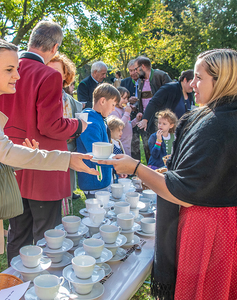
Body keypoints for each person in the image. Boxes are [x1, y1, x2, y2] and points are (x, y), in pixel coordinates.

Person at [0, 38, 97, 284]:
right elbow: (5, 153)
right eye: (10, 70)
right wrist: (66, 159)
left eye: (17, 69)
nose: (17, 76)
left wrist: (24, 156)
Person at [98, 48, 237, 300]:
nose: (192, 84)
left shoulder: (218, 123)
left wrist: (136, 168)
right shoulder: (213, 116)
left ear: (222, 79)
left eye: (199, 77)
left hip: (208, 228)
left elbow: (185, 191)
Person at [0, 21, 88, 266]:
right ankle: (44, 284)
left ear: (31, 40)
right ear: (55, 47)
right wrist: (78, 125)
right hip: (42, 165)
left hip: (11, 160)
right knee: (47, 235)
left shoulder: (5, 71)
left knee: (18, 231)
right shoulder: (48, 75)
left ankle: (14, 284)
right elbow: (51, 125)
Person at [48, 53, 83, 200]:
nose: (51, 74)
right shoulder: (42, 98)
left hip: (69, 149)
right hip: (49, 152)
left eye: (57, 71)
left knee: (66, 195)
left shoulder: (71, 102)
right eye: (48, 70)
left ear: (65, 74)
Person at [77, 83, 119, 198]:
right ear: (102, 101)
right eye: (113, 104)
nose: (114, 109)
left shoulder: (99, 119)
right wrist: (117, 166)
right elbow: (97, 154)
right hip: (94, 182)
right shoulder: (90, 123)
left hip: (101, 181)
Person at [130, 55, 172, 162]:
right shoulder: (140, 81)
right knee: (148, 146)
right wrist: (138, 110)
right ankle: (150, 170)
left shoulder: (161, 76)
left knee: (161, 147)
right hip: (145, 120)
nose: (135, 72)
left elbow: (172, 95)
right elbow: (142, 100)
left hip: (159, 120)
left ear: (143, 66)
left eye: (136, 69)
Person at [138, 70, 194, 134]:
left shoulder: (190, 94)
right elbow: (153, 103)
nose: (194, 85)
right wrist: (145, 119)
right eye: (192, 82)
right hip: (165, 131)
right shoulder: (169, 88)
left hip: (180, 132)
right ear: (185, 80)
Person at [109, 86, 139, 156]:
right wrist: (127, 113)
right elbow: (119, 125)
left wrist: (137, 119)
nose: (126, 101)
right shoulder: (114, 111)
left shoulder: (124, 109)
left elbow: (128, 124)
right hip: (121, 142)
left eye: (127, 98)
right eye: (124, 98)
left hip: (128, 142)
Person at [107, 115, 126, 182]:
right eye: (119, 130)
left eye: (121, 130)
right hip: (113, 172)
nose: (121, 132)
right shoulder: (109, 143)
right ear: (111, 131)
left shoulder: (118, 142)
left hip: (120, 171)